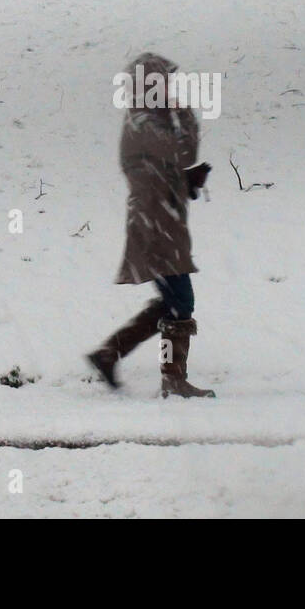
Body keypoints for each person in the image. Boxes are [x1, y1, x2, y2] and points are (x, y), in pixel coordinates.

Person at [87, 52, 216, 399]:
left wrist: (182, 180)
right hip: (155, 226)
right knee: (180, 302)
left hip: (161, 222)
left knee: (171, 302)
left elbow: (178, 159)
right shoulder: (143, 123)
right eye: (165, 83)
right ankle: (171, 379)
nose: (172, 87)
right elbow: (183, 153)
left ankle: (108, 354)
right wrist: (183, 113)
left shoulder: (151, 122)